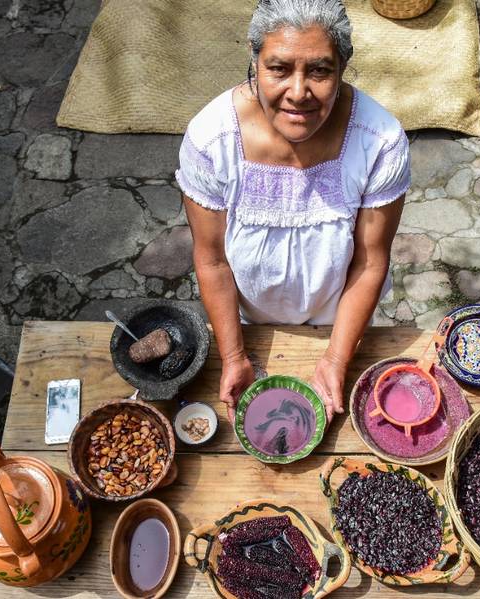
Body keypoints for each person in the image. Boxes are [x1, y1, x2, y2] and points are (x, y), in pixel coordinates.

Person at [176, 0, 410, 423]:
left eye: (319, 71)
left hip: (338, 318)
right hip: (248, 319)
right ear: (254, 59)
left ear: (342, 67)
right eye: (279, 69)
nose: (298, 93)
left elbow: (371, 262)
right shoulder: (212, 140)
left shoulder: (379, 142)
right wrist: (233, 355)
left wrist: (336, 360)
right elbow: (211, 260)